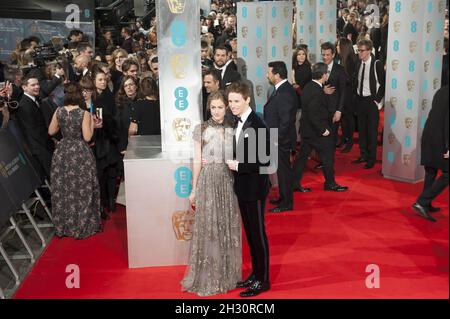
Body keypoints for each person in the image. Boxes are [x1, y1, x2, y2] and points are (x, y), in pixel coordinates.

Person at [181, 91, 241, 296]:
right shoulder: (201, 129)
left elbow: (240, 155)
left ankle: (227, 274)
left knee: (226, 225)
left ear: (226, 107)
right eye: (213, 107)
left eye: (220, 107)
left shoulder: (233, 128)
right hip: (207, 181)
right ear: (209, 107)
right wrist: (193, 189)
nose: (216, 111)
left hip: (227, 180)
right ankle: (208, 275)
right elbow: (197, 161)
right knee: (209, 227)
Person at [226, 82, 271, 297]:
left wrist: (238, 165)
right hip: (243, 186)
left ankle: (263, 281)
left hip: (255, 188)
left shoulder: (257, 124)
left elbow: (265, 160)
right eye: (230, 101)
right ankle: (255, 273)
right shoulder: (239, 121)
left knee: (258, 234)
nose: (232, 105)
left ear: (247, 100)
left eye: (236, 101)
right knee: (251, 234)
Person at [48, 82, 102, 239]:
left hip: (62, 152)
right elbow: (87, 137)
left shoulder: (59, 111)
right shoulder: (83, 113)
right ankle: (81, 224)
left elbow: (51, 131)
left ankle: (64, 226)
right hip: (79, 153)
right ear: (79, 95)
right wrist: (92, 124)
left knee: (63, 188)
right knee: (82, 189)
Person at [292, 63, 348, 193]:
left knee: (302, 158)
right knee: (328, 157)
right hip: (317, 132)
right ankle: (330, 183)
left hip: (307, 130)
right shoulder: (317, 91)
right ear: (324, 75)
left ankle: (294, 183)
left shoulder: (309, 86)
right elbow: (313, 114)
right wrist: (323, 130)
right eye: (327, 73)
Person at [264, 61, 298, 213]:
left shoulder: (284, 92)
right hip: (278, 138)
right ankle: (283, 198)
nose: (267, 75)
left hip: (281, 140)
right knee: (281, 171)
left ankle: (286, 203)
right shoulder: (281, 89)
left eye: (269, 72)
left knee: (284, 172)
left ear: (277, 75)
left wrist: (277, 139)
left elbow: (286, 120)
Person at [413, 85, 449, 222]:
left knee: (431, 171)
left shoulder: (442, 90)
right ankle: (422, 202)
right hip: (440, 139)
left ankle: (426, 204)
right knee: (447, 174)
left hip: (429, 135)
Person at [352, 39, 385, 169]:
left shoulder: (376, 64)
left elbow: (383, 84)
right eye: (358, 50)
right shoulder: (358, 63)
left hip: (371, 101)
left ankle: (371, 158)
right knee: (362, 130)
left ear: (369, 50)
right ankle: (363, 155)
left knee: (371, 131)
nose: (360, 53)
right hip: (360, 101)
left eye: (362, 51)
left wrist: (376, 101)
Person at [17, 75, 55, 179]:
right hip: (40, 147)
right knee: (54, 176)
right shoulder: (24, 105)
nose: (37, 87)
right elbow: (33, 131)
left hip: (46, 144)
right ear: (24, 87)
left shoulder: (35, 99)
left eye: (37, 84)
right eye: (33, 85)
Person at [337, 37, 358, 153]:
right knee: (343, 118)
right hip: (342, 92)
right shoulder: (341, 58)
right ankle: (344, 138)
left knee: (348, 118)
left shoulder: (351, 60)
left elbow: (351, 79)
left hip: (349, 94)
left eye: (338, 45)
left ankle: (350, 142)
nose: (336, 47)